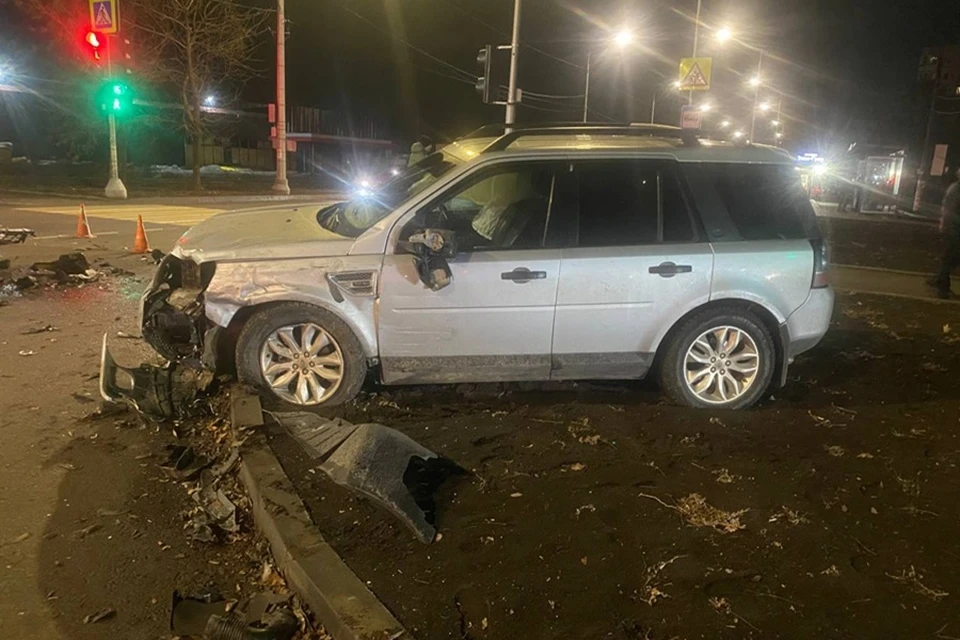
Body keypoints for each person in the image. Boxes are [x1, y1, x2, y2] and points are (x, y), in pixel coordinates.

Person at [932, 167, 960, 299]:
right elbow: (950, 211)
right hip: (954, 229)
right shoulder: (956, 190)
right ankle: (942, 284)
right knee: (950, 256)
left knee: (949, 256)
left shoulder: (955, 188)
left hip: (953, 228)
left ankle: (940, 281)